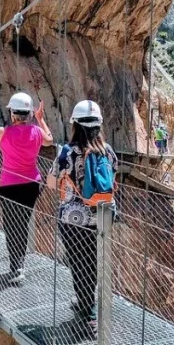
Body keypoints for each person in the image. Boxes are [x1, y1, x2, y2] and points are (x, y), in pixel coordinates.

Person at [48, 99, 118, 332]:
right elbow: (112, 179)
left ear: (75, 125)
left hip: (72, 219)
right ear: (98, 125)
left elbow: (50, 182)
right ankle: (88, 305)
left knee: (78, 264)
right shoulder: (107, 151)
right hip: (100, 217)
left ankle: (89, 313)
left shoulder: (68, 152)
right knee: (93, 263)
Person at [0, 92, 54, 285]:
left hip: (9, 185)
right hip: (32, 184)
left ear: (12, 114)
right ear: (29, 114)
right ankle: (19, 263)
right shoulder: (36, 131)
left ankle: (16, 266)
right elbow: (50, 140)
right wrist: (41, 120)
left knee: (11, 225)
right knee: (23, 221)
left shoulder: (5, 132)